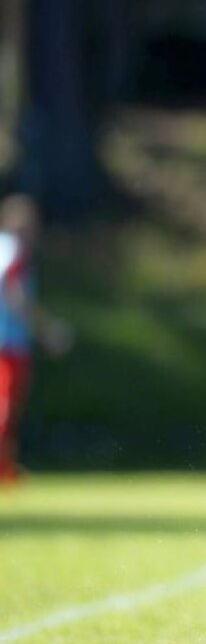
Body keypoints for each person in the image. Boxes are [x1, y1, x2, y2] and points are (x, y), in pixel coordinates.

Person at [0, 194, 73, 483]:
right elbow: (16, 297)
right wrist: (47, 330)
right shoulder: (14, 251)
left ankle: (5, 467)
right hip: (8, 344)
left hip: (10, 342)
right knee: (6, 405)